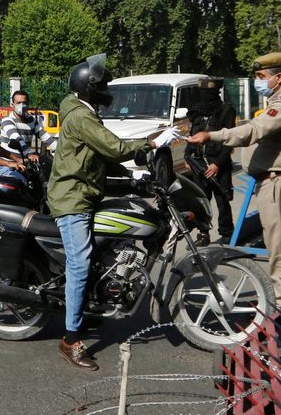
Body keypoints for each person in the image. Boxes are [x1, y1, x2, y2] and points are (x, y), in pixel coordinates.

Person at [48, 54, 181, 370]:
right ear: (90, 87)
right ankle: (69, 341)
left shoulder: (83, 112)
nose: (108, 90)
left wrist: (133, 174)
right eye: (104, 85)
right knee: (80, 266)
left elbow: (98, 154)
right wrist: (149, 143)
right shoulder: (82, 117)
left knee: (106, 244)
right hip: (73, 199)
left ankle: (89, 304)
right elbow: (114, 146)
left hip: (85, 193)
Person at [187, 52, 281, 305]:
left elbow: (255, 130)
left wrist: (211, 136)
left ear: (278, 77)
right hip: (278, 179)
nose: (258, 81)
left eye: (261, 77)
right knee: (278, 244)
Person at [183, 77, 236, 244]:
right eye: (202, 93)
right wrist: (188, 156)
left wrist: (217, 164)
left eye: (208, 93)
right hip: (198, 162)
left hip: (218, 163)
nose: (204, 97)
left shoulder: (226, 111)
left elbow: (230, 141)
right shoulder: (197, 112)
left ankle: (227, 234)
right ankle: (203, 233)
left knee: (222, 200)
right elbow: (192, 134)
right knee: (201, 201)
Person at [0, 90, 57, 180]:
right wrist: (28, 155)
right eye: (18, 103)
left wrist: (61, 150)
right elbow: (16, 139)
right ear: (13, 105)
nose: (21, 105)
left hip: (25, 164)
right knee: (20, 184)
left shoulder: (31, 120)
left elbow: (46, 138)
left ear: (28, 104)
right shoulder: (7, 120)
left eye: (24, 103)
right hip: (8, 166)